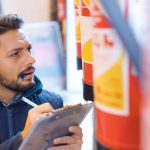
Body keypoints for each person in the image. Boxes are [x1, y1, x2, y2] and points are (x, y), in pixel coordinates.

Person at [0, 14, 83, 150]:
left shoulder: (52, 103)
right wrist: (24, 139)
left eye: (29, 49)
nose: (31, 60)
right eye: (15, 54)